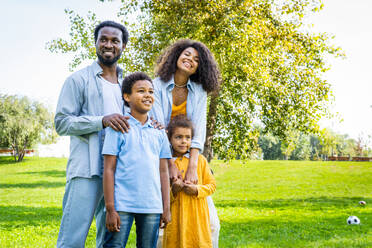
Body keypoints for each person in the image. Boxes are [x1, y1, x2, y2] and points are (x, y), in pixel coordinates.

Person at [55, 21, 131, 248]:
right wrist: (101, 121)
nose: (109, 44)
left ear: (123, 46)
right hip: (87, 172)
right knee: (72, 240)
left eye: (115, 40)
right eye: (104, 39)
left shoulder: (127, 84)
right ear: (96, 43)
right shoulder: (78, 80)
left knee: (109, 240)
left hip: (118, 173)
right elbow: (62, 122)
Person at [150, 39, 221, 247]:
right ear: (177, 55)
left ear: (200, 67)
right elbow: (158, 128)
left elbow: (199, 127)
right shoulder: (156, 85)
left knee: (211, 224)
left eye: (197, 59)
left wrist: (192, 167)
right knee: (164, 221)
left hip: (190, 157)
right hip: (160, 158)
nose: (190, 60)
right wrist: (170, 164)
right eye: (187, 54)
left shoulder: (199, 91)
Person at [102, 72, 171, 248]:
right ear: (127, 96)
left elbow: (164, 171)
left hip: (152, 207)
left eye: (151, 91)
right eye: (141, 91)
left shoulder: (159, 132)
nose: (147, 95)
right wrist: (110, 209)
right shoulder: (118, 128)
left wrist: (166, 207)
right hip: (121, 205)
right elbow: (109, 169)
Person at [163, 115, 216, 248]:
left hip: (197, 219)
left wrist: (197, 189)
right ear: (169, 139)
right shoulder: (166, 164)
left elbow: (212, 186)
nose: (184, 141)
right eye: (178, 137)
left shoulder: (200, 161)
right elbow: (161, 193)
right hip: (175, 220)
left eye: (188, 137)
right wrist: (173, 190)